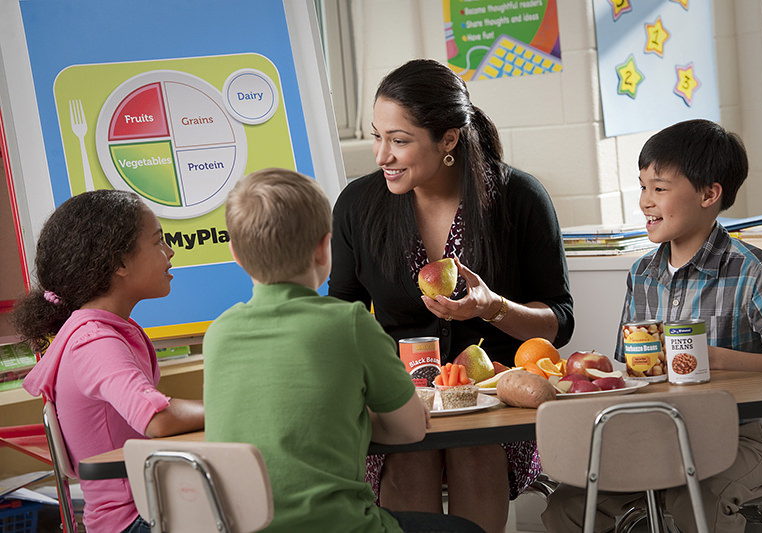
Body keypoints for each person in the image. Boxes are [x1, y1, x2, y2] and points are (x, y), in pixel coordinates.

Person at [329, 59, 574, 533]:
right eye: (377, 136)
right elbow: (344, 314)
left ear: (448, 140)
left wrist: (493, 307)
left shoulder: (519, 197)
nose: (381, 155)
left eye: (399, 141)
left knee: (475, 453)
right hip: (399, 401)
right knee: (409, 459)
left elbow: (559, 320)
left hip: (494, 398)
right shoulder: (358, 206)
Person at [542, 119, 762, 532]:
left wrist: (716, 359)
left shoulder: (755, 272)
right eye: (643, 187)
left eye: (659, 189)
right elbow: (629, 368)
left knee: (699, 497)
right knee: (568, 505)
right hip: (660, 432)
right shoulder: (642, 273)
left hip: (757, 436)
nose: (645, 201)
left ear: (709, 194)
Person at [202, 168, 485, 533]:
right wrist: (356, 416)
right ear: (324, 248)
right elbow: (411, 429)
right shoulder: (350, 323)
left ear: (236, 254)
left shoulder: (219, 333)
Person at [13, 190, 205, 533]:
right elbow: (156, 419)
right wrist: (234, 409)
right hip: (135, 519)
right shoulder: (95, 341)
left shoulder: (104, 329)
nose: (170, 251)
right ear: (119, 263)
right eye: (159, 241)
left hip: (148, 506)